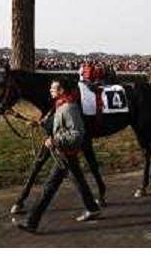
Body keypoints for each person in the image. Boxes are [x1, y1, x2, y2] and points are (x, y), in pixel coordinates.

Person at [12, 78, 101, 233]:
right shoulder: (60, 104)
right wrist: (37, 123)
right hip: (67, 154)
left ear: (61, 91)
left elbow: (77, 134)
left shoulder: (69, 108)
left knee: (49, 188)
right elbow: (54, 122)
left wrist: (54, 140)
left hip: (65, 153)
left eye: (53, 88)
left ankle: (32, 222)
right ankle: (92, 208)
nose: (50, 90)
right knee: (79, 181)